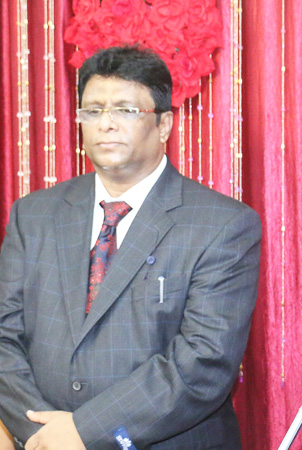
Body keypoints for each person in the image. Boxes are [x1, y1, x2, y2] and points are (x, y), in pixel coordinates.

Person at [0, 46, 261, 450]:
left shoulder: (222, 224)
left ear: (164, 125)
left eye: (125, 110)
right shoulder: (33, 215)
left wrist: (84, 432)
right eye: (93, 110)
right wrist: (41, 433)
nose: (106, 124)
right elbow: (3, 336)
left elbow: (203, 362)